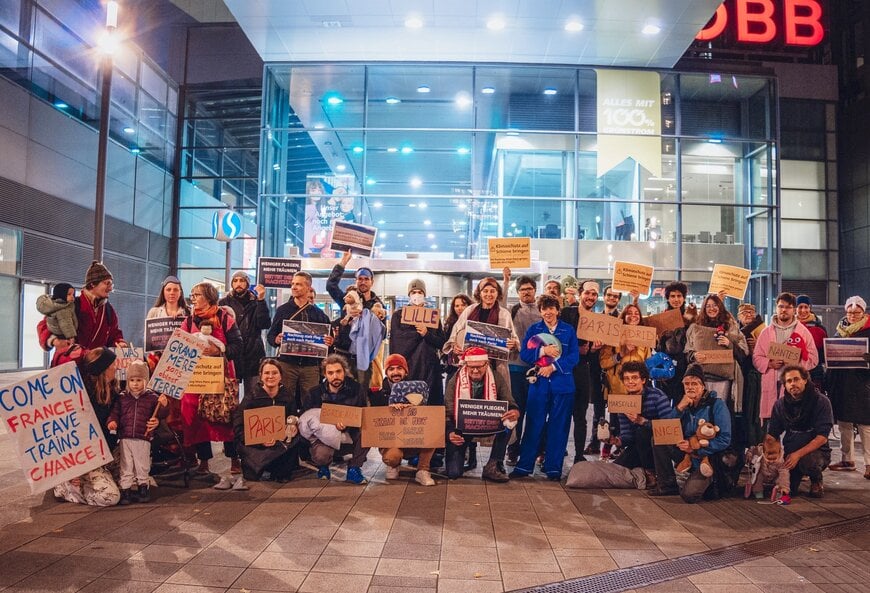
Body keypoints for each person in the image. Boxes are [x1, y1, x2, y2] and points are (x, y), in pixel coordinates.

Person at [511, 294, 579, 481]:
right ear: (540, 311)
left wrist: (553, 367)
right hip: (539, 383)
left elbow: (574, 357)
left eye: (551, 308)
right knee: (533, 424)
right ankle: (524, 466)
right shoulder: (534, 330)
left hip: (562, 384)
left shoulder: (568, 330)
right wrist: (542, 351)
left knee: (559, 426)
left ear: (558, 310)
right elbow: (525, 353)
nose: (548, 312)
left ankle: (553, 468)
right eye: (544, 309)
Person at [181, 282, 244, 475]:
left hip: (221, 377)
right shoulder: (189, 320)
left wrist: (219, 349)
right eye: (192, 294)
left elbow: (238, 346)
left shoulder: (225, 318)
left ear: (208, 296)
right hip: (197, 379)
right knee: (196, 418)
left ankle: (234, 458)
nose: (193, 298)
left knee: (226, 416)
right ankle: (204, 462)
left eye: (197, 294)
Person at [650, 364, 733, 502]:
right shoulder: (684, 404)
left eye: (694, 383)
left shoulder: (717, 405)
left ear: (703, 386)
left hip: (708, 457)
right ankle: (667, 485)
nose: (690, 387)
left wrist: (695, 448)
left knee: (689, 496)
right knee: (658, 439)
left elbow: (725, 439)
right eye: (687, 384)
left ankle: (709, 481)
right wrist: (679, 408)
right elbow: (666, 429)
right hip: (687, 454)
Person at [52, 348, 121, 506]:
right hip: (86, 458)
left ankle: (95, 479)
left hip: (105, 453)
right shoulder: (82, 397)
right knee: (111, 497)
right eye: (112, 364)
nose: (116, 367)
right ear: (103, 369)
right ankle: (67, 488)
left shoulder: (113, 391)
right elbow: (71, 432)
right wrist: (74, 468)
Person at [444, 347, 519, 482]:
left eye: (479, 367)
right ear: (465, 365)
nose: (475, 370)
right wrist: (450, 433)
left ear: (487, 364)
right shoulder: (455, 380)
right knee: (453, 472)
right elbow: (447, 411)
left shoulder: (496, 377)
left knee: (510, 422)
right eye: (471, 367)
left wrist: (514, 412)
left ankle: (493, 464)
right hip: (462, 428)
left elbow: (510, 402)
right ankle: (460, 456)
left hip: (489, 424)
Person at [38, 260, 126, 366]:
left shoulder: (108, 310)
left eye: (111, 284)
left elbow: (114, 333)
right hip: (69, 367)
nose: (110, 288)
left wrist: (119, 342)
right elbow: (44, 325)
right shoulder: (72, 304)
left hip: (95, 368)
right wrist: (54, 341)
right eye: (106, 283)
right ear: (93, 284)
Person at [444, 277, 519, 398]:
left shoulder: (504, 314)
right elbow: (456, 333)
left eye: (492, 291)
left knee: (495, 400)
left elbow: (514, 339)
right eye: (485, 291)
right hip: (470, 367)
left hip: (495, 367)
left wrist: (513, 344)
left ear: (497, 293)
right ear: (479, 293)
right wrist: (454, 346)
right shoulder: (470, 310)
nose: (489, 294)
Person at [267, 271, 331, 413]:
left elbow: (329, 340)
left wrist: (329, 341)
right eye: (293, 284)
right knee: (284, 399)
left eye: (298, 284)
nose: (294, 287)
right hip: (287, 364)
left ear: (308, 287)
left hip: (310, 367)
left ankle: (308, 432)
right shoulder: (282, 310)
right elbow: (271, 335)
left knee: (311, 402)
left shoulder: (319, 314)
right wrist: (276, 339)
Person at [106, 360, 169, 504]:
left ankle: (143, 487)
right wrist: (111, 421)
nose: (135, 383)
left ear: (145, 381)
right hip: (125, 437)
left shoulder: (152, 397)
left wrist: (164, 406)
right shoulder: (122, 398)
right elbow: (115, 412)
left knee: (142, 463)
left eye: (139, 380)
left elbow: (161, 414)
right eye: (132, 380)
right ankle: (126, 489)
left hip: (143, 437)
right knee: (126, 464)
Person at [300, 354, 369, 484]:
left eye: (338, 371)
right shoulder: (314, 393)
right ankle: (323, 466)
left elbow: (363, 414)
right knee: (321, 454)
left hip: (350, 434)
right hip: (324, 437)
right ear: (325, 375)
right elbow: (306, 422)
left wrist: (347, 425)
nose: (335, 376)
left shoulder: (356, 389)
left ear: (344, 371)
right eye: (330, 373)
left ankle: (354, 469)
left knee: (369, 432)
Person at [752, 292, 819, 425]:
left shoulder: (803, 332)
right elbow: (756, 357)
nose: (784, 310)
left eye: (788, 307)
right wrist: (769, 363)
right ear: (776, 308)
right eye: (781, 306)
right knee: (773, 424)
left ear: (794, 310)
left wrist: (796, 364)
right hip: (772, 382)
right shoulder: (766, 332)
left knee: (794, 421)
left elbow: (813, 359)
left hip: (794, 385)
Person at [231, 359, 301, 485]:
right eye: (267, 373)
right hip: (255, 446)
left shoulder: (288, 396)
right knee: (253, 475)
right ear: (261, 376)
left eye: (274, 373)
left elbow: (293, 418)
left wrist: (292, 428)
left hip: (279, 443)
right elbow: (238, 426)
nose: (270, 376)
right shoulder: (250, 398)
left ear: (281, 376)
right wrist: (259, 440)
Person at [612, 361, 678, 489]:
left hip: (659, 446)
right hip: (638, 446)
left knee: (642, 432)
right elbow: (628, 437)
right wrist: (616, 440)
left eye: (634, 378)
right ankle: (642, 471)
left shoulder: (657, 396)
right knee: (617, 469)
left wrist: (643, 421)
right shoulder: (623, 403)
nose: (630, 382)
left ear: (643, 380)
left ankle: (652, 473)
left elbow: (670, 428)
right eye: (626, 378)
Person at [770, 365, 834, 496]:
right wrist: (768, 454)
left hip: (816, 452)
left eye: (796, 379)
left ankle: (816, 480)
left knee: (808, 462)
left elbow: (822, 437)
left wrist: (797, 455)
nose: (793, 384)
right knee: (787, 490)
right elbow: (773, 433)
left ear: (805, 380)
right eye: (788, 381)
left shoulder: (821, 401)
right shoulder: (780, 404)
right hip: (790, 450)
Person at [326, 251, 386, 391]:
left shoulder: (378, 306)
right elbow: (331, 286)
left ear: (372, 281)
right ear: (356, 281)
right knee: (339, 393)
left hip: (363, 358)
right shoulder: (348, 299)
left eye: (366, 279)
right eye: (360, 279)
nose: (363, 282)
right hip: (342, 354)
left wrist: (370, 319)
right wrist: (343, 263)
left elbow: (383, 334)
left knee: (361, 395)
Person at [825, 296, 870, 478]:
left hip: (863, 385)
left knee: (865, 425)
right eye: (850, 312)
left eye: (856, 312)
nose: (852, 315)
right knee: (844, 423)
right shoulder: (840, 331)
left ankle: (869, 463)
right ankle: (847, 459)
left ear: (863, 313)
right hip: (842, 384)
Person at [375, 353, 436, 486]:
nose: (395, 372)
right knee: (392, 456)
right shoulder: (378, 393)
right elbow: (375, 422)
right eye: (391, 369)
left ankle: (422, 471)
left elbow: (428, 415)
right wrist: (390, 409)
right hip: (391, 440)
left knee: (433, 431)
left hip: (413, 436)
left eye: (399, 368)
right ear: (386, 372)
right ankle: (393, 465)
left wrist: (414, 409)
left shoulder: (418, 389)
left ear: (406, 371)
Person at [686, 294, 748, 412]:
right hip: (702, 378)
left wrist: (729, 344)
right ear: (704, 308)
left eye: (715, 305)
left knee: (720, 410)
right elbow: (687, 350)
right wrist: (693, 355)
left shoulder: (731, 326)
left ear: (720, 307)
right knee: (702, 411)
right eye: (708, 306)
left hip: (723, 379)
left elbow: (743, 353)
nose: (711, 308)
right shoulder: (696, 327)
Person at [503, 272, 541, 465]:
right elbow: (499, 309)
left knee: (536, 412)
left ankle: (531, 451)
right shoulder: (513, 309)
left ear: (535, 290)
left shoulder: (543, 310)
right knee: (517, 410)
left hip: (539, 369)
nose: (526, 292)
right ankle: (513, 449)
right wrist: (506, 281)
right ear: (517, 292)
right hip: (516, 368)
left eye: (529, 289)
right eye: (523, 289)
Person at [389, 279, 447, 405]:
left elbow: (442, 343)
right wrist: (417, 334)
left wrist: (427, 334)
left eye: (420, 292)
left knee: (431, 405)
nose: (416, 295)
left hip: (430, 369)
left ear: (424, 294)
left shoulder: (433, 317)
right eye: (413, 292)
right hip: (409, 368)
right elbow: (397, 341)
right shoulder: (398, 315)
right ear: (409, 295)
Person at [220, 271, 271, 396]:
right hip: (232, 354)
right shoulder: (223, 303)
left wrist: (261, 301)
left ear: (247, 284)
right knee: (230, 397)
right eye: (235, 280)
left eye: (242, 280)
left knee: (254, 396)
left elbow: (264, 324)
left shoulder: (256, 301)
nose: (238, 284)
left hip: (253, 354)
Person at [572, 280, 603, 462]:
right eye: (587, 293)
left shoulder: (598, 320)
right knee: (559, 414)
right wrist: (577, 349)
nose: (590, 297)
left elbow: (593, 358)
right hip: (565, 370)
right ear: (580, 294)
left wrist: (593, 351)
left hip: (583, 372)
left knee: (580, 416)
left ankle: (578, 455)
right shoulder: (568, 312)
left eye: (594, 294)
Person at [657, 281, 694, 403]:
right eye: (672, 296)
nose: (676, 299)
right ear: (668, 298)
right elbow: (657, 346)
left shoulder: (691, 317)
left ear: (684, 298)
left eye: (679, 296)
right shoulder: (661, 318)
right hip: (665, 366)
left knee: (682, 402)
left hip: (684, 366)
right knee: (663, 402)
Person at [737, 302, 766, 447]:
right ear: (738, 316)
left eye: (751, 312)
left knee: (755, 413)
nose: (748, 315)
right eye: (744, 313)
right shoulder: (736, 331)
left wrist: (757, 348)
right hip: (740, 376)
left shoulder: (763, 330)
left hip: (756, 376)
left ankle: (756, 444)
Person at [796, 294, 828, 390]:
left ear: (810, 308)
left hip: (815, 372)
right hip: (794, 369)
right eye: (800, 307)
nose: (803, 310)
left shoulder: (820, 328)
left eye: (806, 307)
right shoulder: (790, 326)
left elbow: (825, 353)